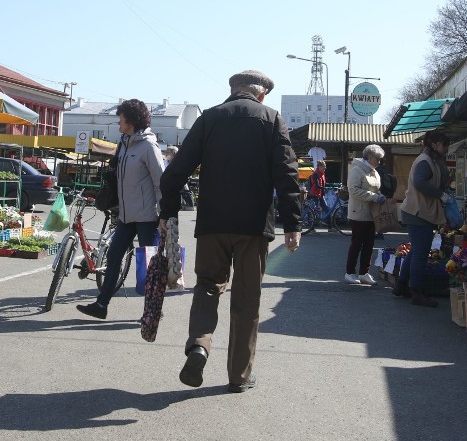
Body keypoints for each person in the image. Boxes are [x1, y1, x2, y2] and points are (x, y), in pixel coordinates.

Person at [159, 70, 302, 394]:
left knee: (208, 287)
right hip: (254, 228)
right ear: (261, 95)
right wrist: (293, 225)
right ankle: (239, 376)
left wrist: (167, 212)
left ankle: (199, 345)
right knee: (247, 299)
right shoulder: (271, 119)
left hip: (212, 224)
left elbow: (176, 170)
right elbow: (287, 175)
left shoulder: (210, 118)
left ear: (232, 90)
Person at [77, 99, 165, 319]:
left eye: (121, 118)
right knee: (114, 256)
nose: (118, 122)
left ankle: (153, 310)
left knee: (148, 264)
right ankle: (101, 305)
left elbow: (160, 182)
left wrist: (164, 214)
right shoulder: (124, 143)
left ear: (132, 121)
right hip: (125, 215)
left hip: (147, 216)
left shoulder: (148, 147)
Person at [394, 131, 450, 307]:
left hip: (419, 212)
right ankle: (417, 293)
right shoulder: (425, 161)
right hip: (419, 213)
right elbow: (419, 182)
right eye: (444, 145)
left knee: (416, 251)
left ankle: (402, 285)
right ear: (435, 144)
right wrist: (440, 194)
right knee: (420, 253)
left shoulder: (429, 159)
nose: (446, 149)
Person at [345, 144, 386, 285]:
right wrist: (374, 197)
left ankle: (364, 273)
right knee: (357, 244)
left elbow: (376, 189)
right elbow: (353, 190)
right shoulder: (356, 169)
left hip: (371, 214)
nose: (379, 162)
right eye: (378, 159)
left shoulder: (374, 171)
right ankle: (349, 272)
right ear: (369, 157)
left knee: (369, 244)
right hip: (359, 213)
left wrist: (380, 196)